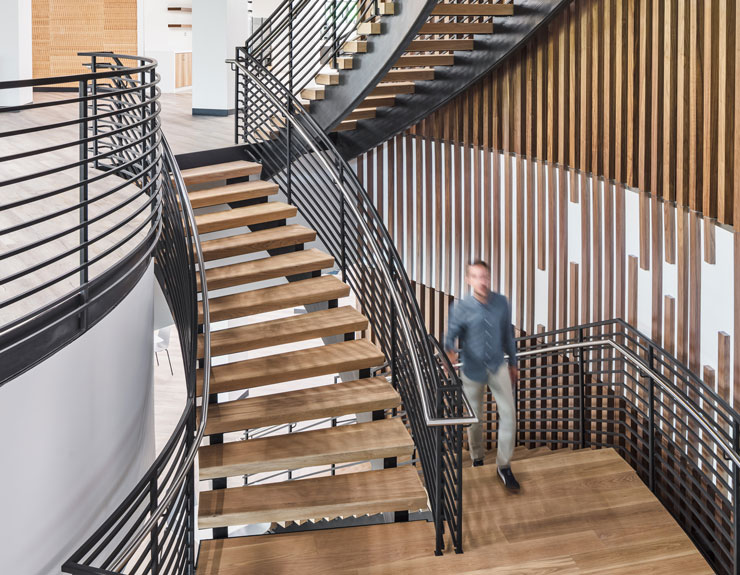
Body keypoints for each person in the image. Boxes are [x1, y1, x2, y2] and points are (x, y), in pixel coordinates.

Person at [445, 260, 520, 491]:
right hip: (472, 370)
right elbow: (450, 335)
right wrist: (449, 351)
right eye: (476, 277)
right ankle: (477, 457)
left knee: (508, 414)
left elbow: (508, 333)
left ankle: (503, 466)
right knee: (474, 418)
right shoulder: (461, 307)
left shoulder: (501, 302)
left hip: (498, 366)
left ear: (490, 278)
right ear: (469, 280)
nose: (482, 281)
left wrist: (514, 363)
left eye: (485, 276)